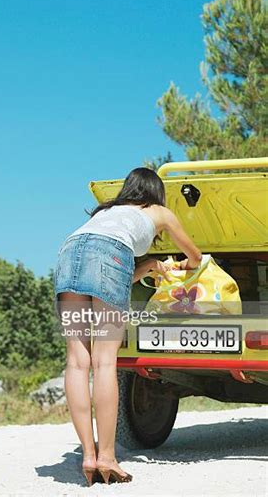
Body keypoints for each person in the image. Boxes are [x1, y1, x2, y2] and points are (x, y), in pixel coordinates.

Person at [54, 167, 202, 486]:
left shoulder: (108, 211)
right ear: (155, 192)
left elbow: (102, 272)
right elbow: (195, 256)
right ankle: (107, 457)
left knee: (77, 363)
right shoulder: (159, 211)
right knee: (105, 362)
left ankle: (89, 456)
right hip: (110, 255)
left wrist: (147, 267)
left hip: (69, 253)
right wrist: (181, 267)